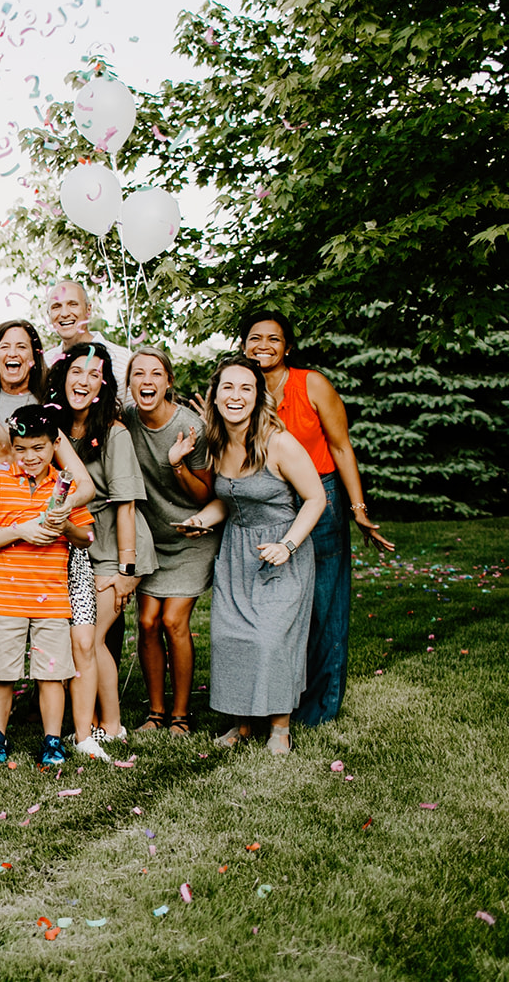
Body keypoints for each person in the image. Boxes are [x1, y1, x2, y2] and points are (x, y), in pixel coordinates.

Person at [238, 310, 394, 727]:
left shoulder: (312, 384)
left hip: (320, 499)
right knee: (270, 607)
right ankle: (268, 703)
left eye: (274, 339)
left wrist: (358, 510)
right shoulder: (242, 388)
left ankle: (318, 710)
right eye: (255, 338)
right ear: (243, 345)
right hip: (269, 504)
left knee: (325, 607)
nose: (263, 346)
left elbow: (341, 448)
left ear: (288, 347)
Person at [178, 355, 325, 755]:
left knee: (270, 639)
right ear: (215, 395)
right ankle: (242, 723)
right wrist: (200, 520)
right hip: (236, 552)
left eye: (246, 387)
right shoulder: (219, 443)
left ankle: (279, 727)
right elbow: (227, 502)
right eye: (228, 387)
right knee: (233, 638)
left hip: (281, 550)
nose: (236, 396)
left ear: (259, 396)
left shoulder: (278, 442)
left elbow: (315, 499)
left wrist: (287, 545)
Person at [0, 405, 99, 765]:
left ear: (55, 444)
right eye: (21, 449)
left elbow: (87, 537)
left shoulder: (64, 488)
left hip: (52, 599)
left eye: (38, 448)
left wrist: (64, 525)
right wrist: (20, 532)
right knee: (1, 673)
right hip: (6, 597)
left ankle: (52, 740)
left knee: (51, 675)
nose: (29, 457)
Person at [0, 388, 94, 698]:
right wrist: (21, 529)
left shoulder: (36, 426)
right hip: (13, 571)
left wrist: (61, 509)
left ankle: (85, 726)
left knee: (81, 643)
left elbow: (86, 486)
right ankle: (0, 725)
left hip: (63, 552)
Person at [48, 343, 156, 746]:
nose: (84, 380)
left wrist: (126, 571)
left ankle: (112, 724)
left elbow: (126, 505)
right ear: (63, 376)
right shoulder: (53, 428)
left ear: (102, 385)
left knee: (90, 640)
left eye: (94, 375)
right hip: (76, 549)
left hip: (116, 548)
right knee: (81, 638)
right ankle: (90, 718)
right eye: (78, 371)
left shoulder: (114, 432)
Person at [123, 346, 216, 735]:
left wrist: (177, 462)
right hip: (151, 537)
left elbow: (205, 495)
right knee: (146, 622)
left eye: (156, 374)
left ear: (168, 382)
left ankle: (180, 715)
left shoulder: (189, 426)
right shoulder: (125, 419)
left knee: (174, 621)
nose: (147, 381)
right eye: (139, 374)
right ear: (129, 384)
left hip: (192, 533)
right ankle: (155, 713)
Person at [41, 278, 132, 407]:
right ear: (48, 314)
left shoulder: (123, 359)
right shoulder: (45, 362)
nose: (65, 313)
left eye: (73, 304)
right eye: (56, 307)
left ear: (88, 310)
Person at [0, 319, 49, 423]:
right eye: (5, 347)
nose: (12, 353)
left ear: (34, 356)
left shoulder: (51, 399)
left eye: (21, 347)